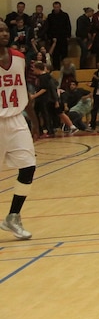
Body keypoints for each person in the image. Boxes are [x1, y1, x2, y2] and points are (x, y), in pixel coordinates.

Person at [0, 22, 35, 240]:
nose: (4, 33)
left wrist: (35, 121)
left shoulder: (19, 57)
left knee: (28, 167)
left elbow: (24, 89)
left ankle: (13, 216)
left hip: (16, 120)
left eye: (5, 29)